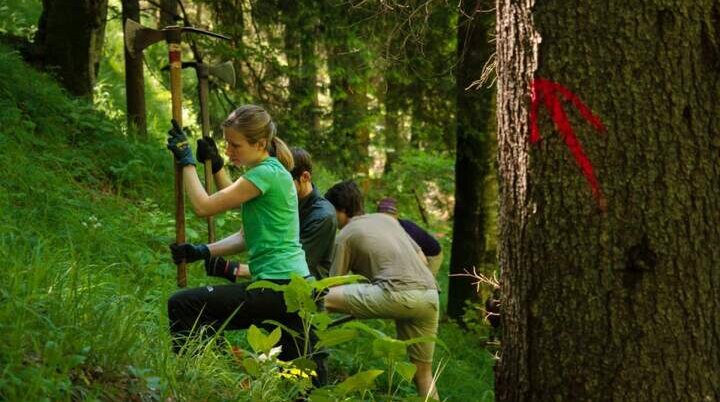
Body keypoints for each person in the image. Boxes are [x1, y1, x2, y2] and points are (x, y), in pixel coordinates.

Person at [164, 105, 315, 370]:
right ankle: (215, 375)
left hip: (278, 288)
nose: (228, 151)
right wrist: (203, 251)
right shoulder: (271, 173)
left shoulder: (266, 174)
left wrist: (186, 161)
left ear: (260, 144)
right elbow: (248, 236)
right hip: (294, 288)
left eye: (235, 145)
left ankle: (201, 379)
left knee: (184, 305)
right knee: (299, 380)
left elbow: (203, 207)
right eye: (227, 144)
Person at [322, 181, 440, 399]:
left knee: (321, 298)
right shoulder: (387, 220)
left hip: (396, 294)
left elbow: (331, 287)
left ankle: (311, 357)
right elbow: (423, 259)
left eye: (332, 212)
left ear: (342, 210)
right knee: (423, 374)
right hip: (430, 295)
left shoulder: (345, 234)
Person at [196, 142, 336, 279]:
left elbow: (288, 267)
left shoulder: (322, 216)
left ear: (305, 177)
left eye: (285, 179)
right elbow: (234, 198)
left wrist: (232, 269)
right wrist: (217, 165)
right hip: (273, 284)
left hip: (304, 294)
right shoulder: (279, 197)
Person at [376, 197, 443, 276]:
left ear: (396, 216)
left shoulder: (408, 230)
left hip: (431, 255)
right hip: (417, 253)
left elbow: (421, 260)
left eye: (389, 217)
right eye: (383, 217)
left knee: (424, 282)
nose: (386, 220)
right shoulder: (382, 226)